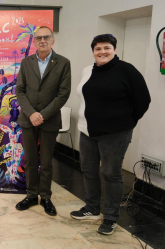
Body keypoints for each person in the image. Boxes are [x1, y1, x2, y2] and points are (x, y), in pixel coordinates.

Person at [71, 34, 150, 235]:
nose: (102, 52)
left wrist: (128, 122)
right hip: (87, 130)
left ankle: (111, 217)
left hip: (114, 134)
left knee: (111, 174)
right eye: (98, 49)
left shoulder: (127, 70)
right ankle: (92, 208)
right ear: (93, 51)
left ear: (114, 49)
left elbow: (143, 99)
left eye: (107, 48)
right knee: (88, 170)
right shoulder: (87, 70)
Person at [15, 26, 71, 216]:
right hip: (28, 119)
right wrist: (31, 113)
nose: (43, 41)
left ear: (52, 40)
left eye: (46, 37)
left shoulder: (63, 63)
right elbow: (20, 91)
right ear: (34, 41)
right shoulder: (26, 62)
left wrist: (43, 114)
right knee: (30, 160)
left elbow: (63, 94)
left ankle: (45, 196)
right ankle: (31, 195)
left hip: (49, 120)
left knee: (46, 161)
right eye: (38, 38)